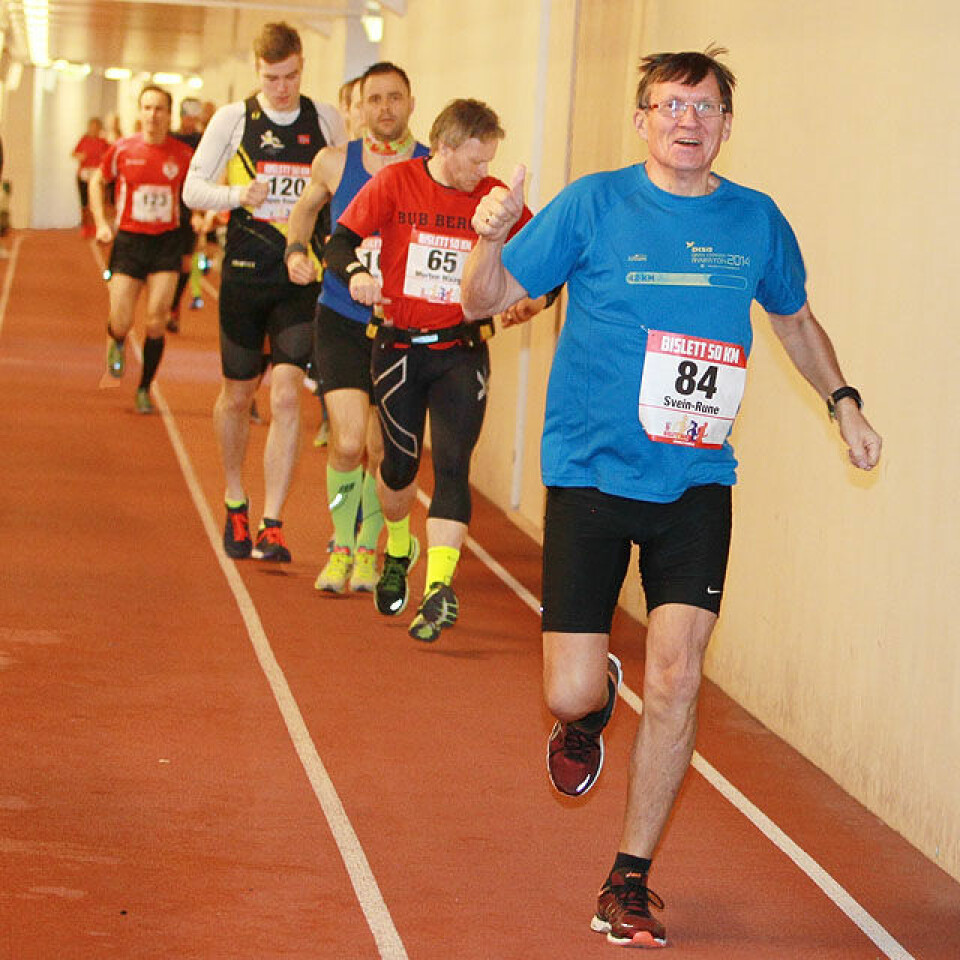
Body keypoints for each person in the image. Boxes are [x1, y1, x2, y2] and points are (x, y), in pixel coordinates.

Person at [461, 47, 882, 949]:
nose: (687, 120)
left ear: (727, 123)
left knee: (682, 673)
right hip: (589, 476)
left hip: (696, 482)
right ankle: (594, 704)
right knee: (568, 690)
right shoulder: (591, 205)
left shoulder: (755, 221)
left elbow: (796, 321)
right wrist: (489, 235)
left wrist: (844, 403)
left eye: (705, 106)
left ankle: (629, 878)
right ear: (643, 118)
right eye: (669, 105)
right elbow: (482, 301)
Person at [322, 97, 548, 641]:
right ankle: (399, 545)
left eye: (491, 160)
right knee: (398, 469)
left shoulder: (496, 200)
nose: (484, 172)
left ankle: (438, 588)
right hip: (398, 348)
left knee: (452, 464)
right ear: (445, 147)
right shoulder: (396, 183)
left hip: (461, 348)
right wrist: (355, 275)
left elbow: (547, 258)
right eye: (475, 160)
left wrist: (535, 298)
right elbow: (340, 242)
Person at [183, 21, 346, 562]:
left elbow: (347, 186)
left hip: (300, 277)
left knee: (285, 393)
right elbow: (191, 189)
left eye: (292, 76)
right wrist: (238, 193)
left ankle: (273, 521)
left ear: (302, 66)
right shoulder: (235, 119)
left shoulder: (324, 118)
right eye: (273, 77)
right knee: (237, 394)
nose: (282, 87)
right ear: (258, 72)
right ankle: (235, 497)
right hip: (246, 275)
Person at [286, 61, 429, 595]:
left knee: (380, 448)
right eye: (375, 99)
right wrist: (296, 250)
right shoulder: (334, 161)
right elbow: (303, 214)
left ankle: (371, 551)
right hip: (342, 317)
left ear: (411, 104)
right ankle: (342, 545)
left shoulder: (430, 165)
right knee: (346, 442)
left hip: (401, 330)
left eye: (395, 97)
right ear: (358, 107)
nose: (385, 108)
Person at [89, 86, 194, 415]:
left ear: (168, 113)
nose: (153, 115)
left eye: (159, 108)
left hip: (166, 243)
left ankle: (144, 388)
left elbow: (196, 192)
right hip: (130, 243)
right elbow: (96, 181)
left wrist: (205, 217)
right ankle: (117, 340)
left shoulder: (182, 154)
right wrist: (101, 222)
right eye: (147, 108)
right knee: (121, 319)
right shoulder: (122, 150)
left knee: (156, 320)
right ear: (140, 112)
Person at [72, 118, 109, 237]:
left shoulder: (103, 142)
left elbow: (110, 155)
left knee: (96, 201)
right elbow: (74, 153)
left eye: (95, 126)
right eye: (91, 126)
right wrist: (80, 156)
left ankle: (96, 225)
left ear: (99, 128)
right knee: (84, 202)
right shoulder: (84, 140)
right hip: (84, 173)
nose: (93, 129)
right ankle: (86, 226)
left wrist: (104, 158)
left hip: (96, 174)